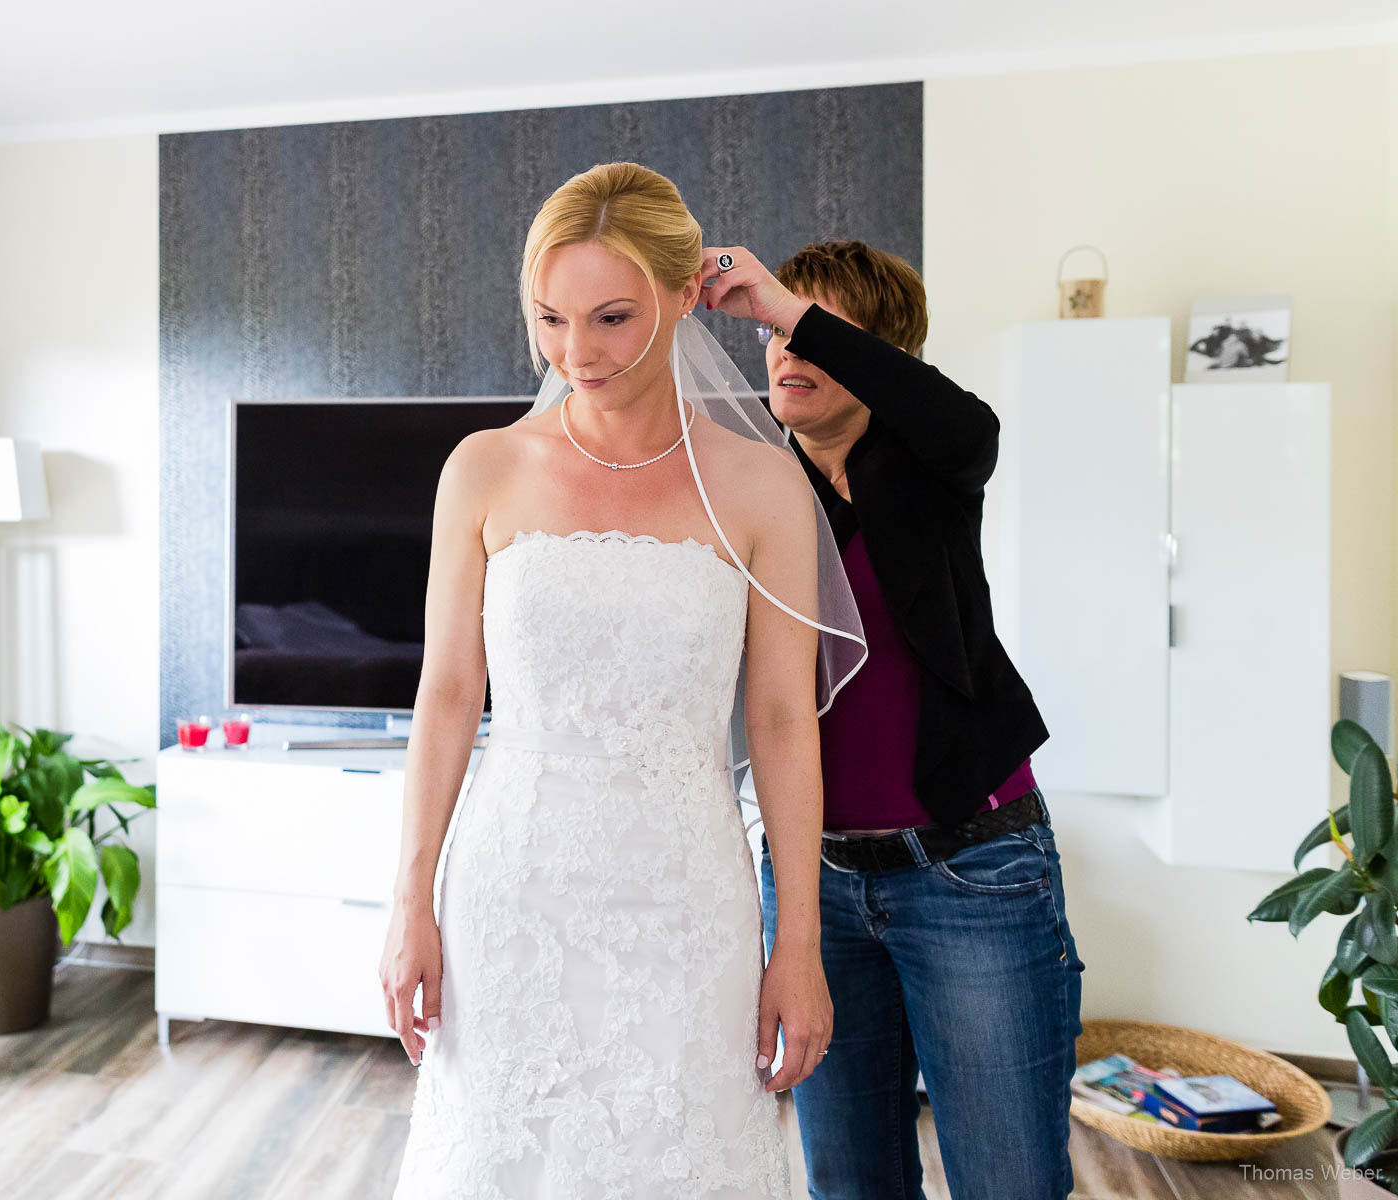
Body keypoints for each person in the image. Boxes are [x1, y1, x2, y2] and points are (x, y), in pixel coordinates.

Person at [379, 162, 865, 1198]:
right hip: (510, 900)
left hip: (689, 907)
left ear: (687, 294)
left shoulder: (763, 486)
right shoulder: (483, 469)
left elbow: (783, 721)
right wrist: (408, 902)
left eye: (609, 316)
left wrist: (801, 944)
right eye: (551, 319)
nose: (576, 353)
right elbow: (449, 695)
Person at [703, 238, 1084, 1199]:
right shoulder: (755, 490)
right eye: (774, 333)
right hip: (815, 890)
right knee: (850, 1183)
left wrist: (785, 304)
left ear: (882, 356)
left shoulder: (933, 465)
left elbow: (963, 421)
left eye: (811, 328)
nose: (785, 348)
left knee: (1010, 1183)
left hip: (974, 872)